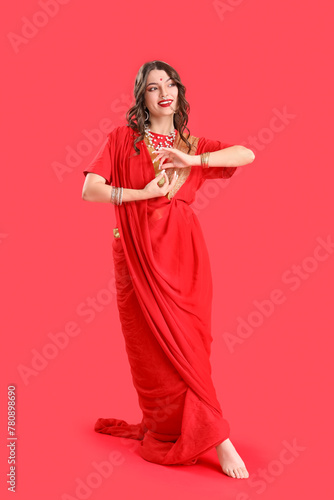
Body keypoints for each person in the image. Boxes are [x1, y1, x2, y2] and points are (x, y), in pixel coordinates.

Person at [81, 60, 255, 479]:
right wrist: (140, 192)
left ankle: (217, 436)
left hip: (185, 258)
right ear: (141, 98)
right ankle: (171, 428)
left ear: (179, 92)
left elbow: (247, 153)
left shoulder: (193, 144)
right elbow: (90, 189)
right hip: (136, 259)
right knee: (149, 353)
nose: (164, 91)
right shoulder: (124, 140)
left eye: (171, 83)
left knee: (192, 349)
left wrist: (192, 161)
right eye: (153, 87)